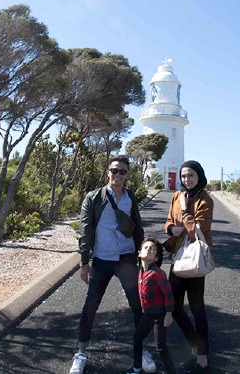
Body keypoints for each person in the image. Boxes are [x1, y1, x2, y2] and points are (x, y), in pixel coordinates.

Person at [70, 155, 157, 374]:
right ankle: (80, 353)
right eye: (114, 170)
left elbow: (137, 228)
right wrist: (84, 261)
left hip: (127, 257)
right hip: (102, 258)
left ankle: (142, 351)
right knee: (91, 306)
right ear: (107, 172)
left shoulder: (131, 198)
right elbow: (85, 229)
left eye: (123, 172)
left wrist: (143, 259)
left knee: (138, 306)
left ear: (127, 175)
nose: (118, 175)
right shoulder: (93, 198)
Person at [164, 160, 213, 374]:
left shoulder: (205, 200)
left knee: (197, 308)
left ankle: (202, 357)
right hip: (177, 256)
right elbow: (168, 221)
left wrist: (185, 211)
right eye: (183, 176)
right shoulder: (177, 195)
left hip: (194, 259)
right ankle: (195, 344)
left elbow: (197, 231)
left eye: (190, 175)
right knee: (173, 306)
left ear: (199, 175)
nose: (186, 179)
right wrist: (171, 229)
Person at [127, 238, 177, 374]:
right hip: (147, 314)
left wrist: (168, 314)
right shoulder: (140, 271)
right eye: (146, 247)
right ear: (139, 253)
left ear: (156, 258)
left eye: (152, 249)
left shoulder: (157, 273)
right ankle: (136, 368)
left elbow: (168, 294)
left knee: (160, 346)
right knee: (137, 338)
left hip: (159, 315)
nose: (149, 249)